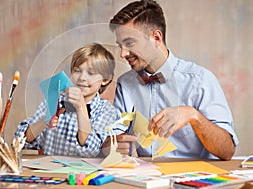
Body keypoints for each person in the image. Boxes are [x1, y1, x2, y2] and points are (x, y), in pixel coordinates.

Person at [102, 0, 239, 160]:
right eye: (120, 45)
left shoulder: (200, 80)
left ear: (156, 38)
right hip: (141, 177)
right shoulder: (125, 83)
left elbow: (227, 151)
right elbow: (110, 140)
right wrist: (113, 144)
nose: (123, 54)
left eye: (129, 43)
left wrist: (193, 116)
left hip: (190, 178)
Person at [15, 43, 120, 157]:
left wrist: (81, 108)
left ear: (105, 79)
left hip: (85, 173)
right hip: (49, 170)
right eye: (77, 70)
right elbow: (21, 140)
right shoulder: (54, 101)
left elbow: (91, 151)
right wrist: (44, 122)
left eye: (91, 73)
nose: (82, 78)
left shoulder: (107, 111)